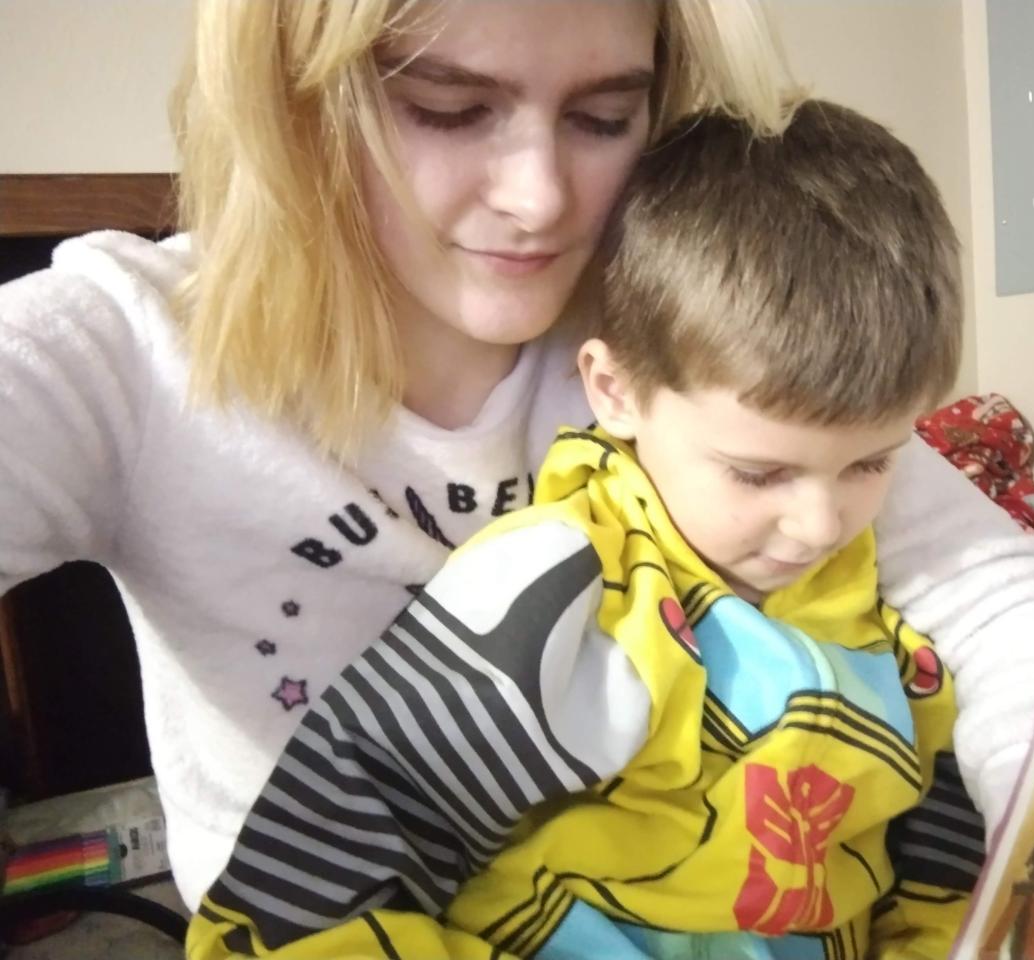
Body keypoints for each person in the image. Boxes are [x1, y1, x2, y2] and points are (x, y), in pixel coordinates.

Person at [0, 0, 1034, 917]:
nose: (539, 199)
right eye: (448, 109)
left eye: (601, 117)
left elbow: (991, 590)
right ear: (297, 101)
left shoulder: (668, 325)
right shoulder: (127, 351)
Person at [190, 98, 978, 960]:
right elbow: (295, 907)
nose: (822, 524)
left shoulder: (877, 601)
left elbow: (944, 860)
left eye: (871, 464)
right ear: (615, 392)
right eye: (758, 474)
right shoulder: (560, 588)